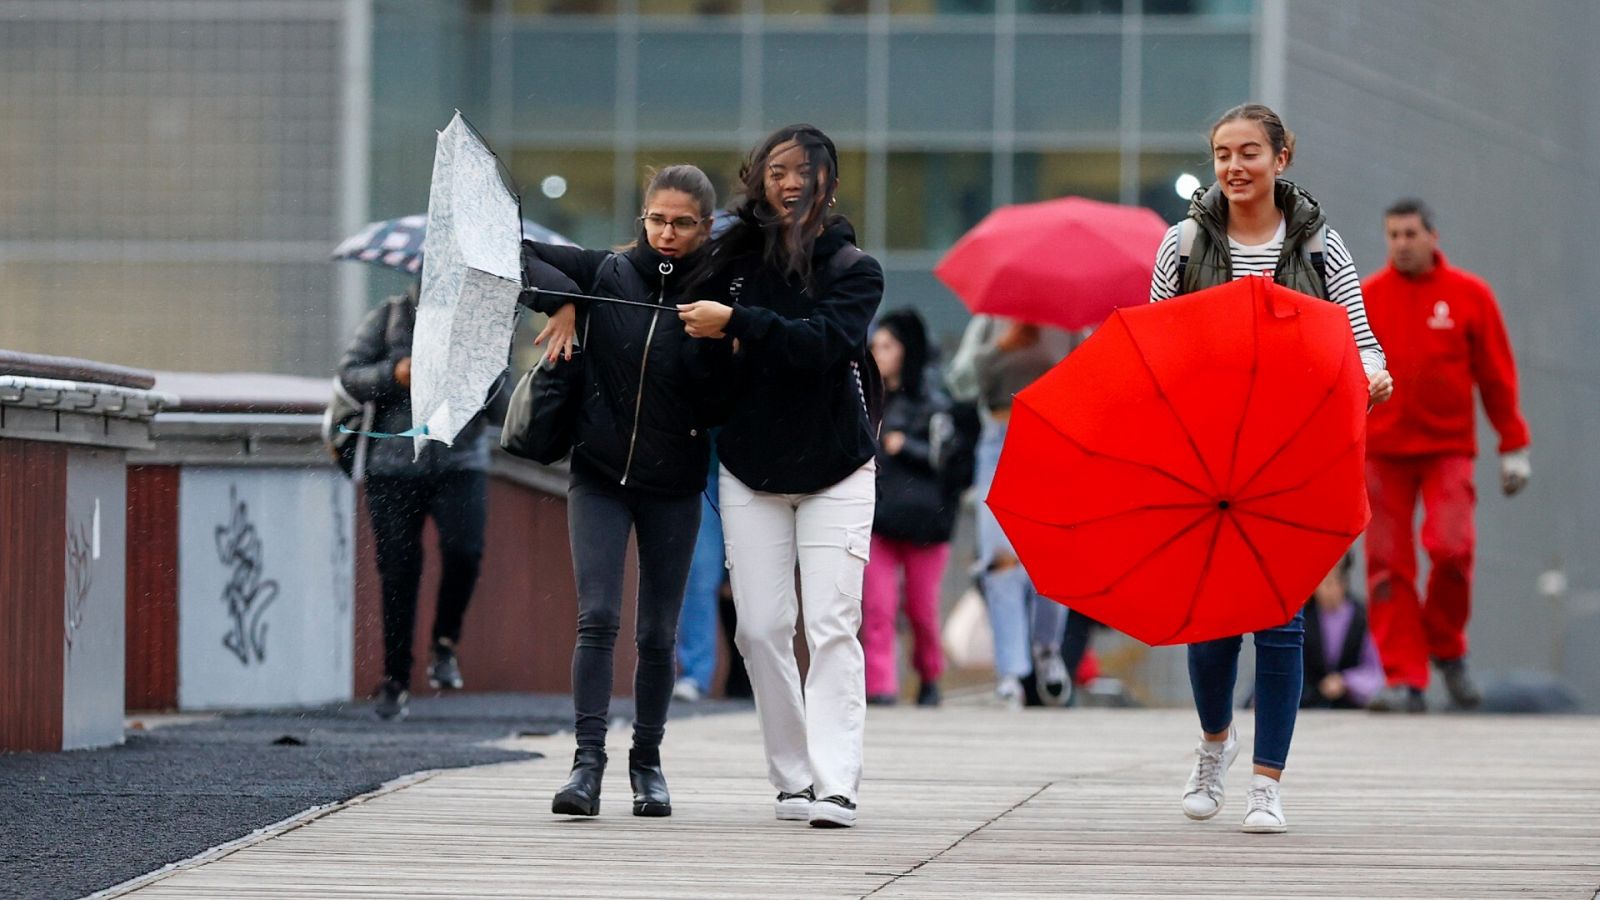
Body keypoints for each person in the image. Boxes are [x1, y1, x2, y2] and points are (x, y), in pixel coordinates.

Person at [1149, 103, 1393, 833]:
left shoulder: (1321, 247)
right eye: (1223, 153)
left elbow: (1361, 335)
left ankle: (1266, 783)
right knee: (1213, 618)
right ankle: (1213, 746)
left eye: (1250, 152)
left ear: (1282, 158)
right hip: (1207, 454)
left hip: (1295, 451)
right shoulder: (1185, 242)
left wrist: (1375, 373)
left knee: (1283, 619)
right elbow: (1153, 339)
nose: (1234, 167)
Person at [676, 124, 883, 828]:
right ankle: (792, 777)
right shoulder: (729, 259)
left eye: (804, 171)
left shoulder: (854, 267)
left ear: (828, 179)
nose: (790, 182)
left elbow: (824, 344)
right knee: (761, 629)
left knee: (832, 624)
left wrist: (741, 322)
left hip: (837, 470)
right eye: (777, 171)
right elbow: (657, 282)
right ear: (759, 179)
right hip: (748, 467)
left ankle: (837, 783)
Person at [520, 164, 730, 818]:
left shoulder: (720, 293)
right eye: (657, 219)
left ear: (706, 225)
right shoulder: (607, 274)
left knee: (658, 632)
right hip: (600, 475)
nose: (667, 233)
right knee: (599, 616)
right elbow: (513, 251)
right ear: (642, 217)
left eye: (682, 222)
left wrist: (721, 335)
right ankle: (587, 763)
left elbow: (731, 386)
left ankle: (648, 761)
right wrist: (566, 300)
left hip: (675, 482)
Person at [1360, 198, 1532, 714]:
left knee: (1452, 549)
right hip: (1382, 452)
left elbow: (1497, 375)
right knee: (1387, 566)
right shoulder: (1367, 297)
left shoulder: (1469, 295)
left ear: (1433, 236)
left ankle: (1446, 646)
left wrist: (1513, 443)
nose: (1402, 244)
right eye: (1393, 235)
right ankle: (1404, 678)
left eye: (1411, 234)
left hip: (1447, 450)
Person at [337, 281, 497, 721]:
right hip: (392, 465)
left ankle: (444, 643)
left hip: (460, 460)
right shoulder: (388, 315)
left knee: (465, 550)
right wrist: (396, 374)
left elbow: (502, 402)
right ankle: (395, 678)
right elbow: (350, 375)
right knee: (398, 570)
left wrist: (477, 372)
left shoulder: (479, 324)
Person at [946, 316, 1072, 708]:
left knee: (1052, 557)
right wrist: (1002, 346)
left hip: (1052, 439)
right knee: (1000, 559)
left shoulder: (1067, 323)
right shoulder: (987, 323)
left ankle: (1047, 648)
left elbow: (1095, 376)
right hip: (998, 443)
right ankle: (1011, 674)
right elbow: (960, 383)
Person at [860, 308, 973, 708]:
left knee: (922, 611)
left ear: (907, 351)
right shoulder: (866, 398)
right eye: (874, 345)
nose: (878, 353)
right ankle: (881, 687)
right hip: (879, 520)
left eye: (887, 346)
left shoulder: (936, 403)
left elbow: (952, 461)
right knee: (877, 609)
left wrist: (904, 446)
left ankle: (929, 677)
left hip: (926, 525)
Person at [673, 449, 724, 704]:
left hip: (755, 467)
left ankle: (763, 673)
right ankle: (696, 673)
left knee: (758, 577)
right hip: (703, 466)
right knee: (700, 574)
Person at [1301, 555, 1385, 709]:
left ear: (1344, 583)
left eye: (1332, 582)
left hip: (1348, 705)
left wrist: (1346, 681)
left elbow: (1374, 672)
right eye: (1323, 583)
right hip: (1308, 702)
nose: (1328, 591)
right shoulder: (1304, 618)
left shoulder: (1360, 618)